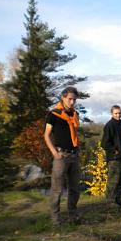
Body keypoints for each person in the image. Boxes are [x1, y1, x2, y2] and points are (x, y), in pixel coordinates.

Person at [44, 87, 81, 225]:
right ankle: (55, 219)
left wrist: (79, 148)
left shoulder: (74, 115)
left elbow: (74, 135)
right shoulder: (54, 114)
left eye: (74, 99)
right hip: (61, 155)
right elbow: (46, 135)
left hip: (74, 155)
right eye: (70, 99)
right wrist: (54, 152)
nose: (72, 102)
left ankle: (73, 216)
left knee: (75, 189)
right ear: (63, 97)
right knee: (57, 189)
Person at [101, 105, 121, 207]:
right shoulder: (110, 125)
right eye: (116, 113)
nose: (118, 115)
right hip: (114, 159)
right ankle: (110, 202)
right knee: (113, 181)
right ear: (112, 114)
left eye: (119, 113)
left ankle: (117, 200)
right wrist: (114, 150)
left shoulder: (120, 125)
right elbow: (104, 143)